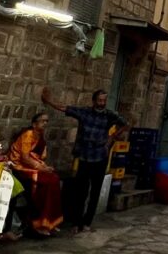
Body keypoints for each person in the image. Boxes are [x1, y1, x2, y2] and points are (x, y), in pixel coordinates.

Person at [41, 87, 128, 233]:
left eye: (104, 100)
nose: (102, 103)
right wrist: (49, 101)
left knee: (95, 192)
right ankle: (76, 222)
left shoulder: (109, 115)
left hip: (100, 157)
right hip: (84, 156)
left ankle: (87, 222)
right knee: (80, 191)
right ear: (94, 101)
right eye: (99, 100)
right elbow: (65, 108)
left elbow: (126, 124)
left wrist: (112, 138)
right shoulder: (85, 113)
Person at [8, 112, 63, 236]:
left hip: (33, 166)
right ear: (34, 124)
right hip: (20, 167)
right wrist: (42, 168)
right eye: (42, 121)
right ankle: (38, 223)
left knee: (54, 179)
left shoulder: (40, 136)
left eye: (46, 121)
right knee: (45, 182)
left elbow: (41, 156)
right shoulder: (28, 135)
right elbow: (25, 158)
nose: (45, 123)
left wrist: (44, 167)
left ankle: (50, 222)